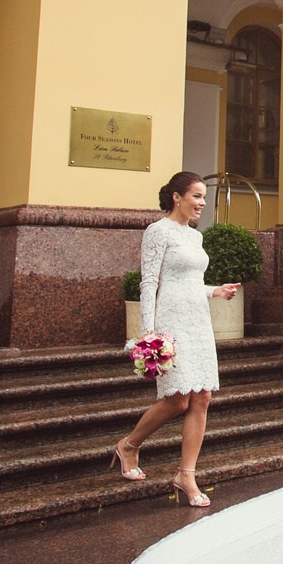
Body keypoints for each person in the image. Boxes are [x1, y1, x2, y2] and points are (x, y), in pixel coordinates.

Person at [111, 172, 241, 508]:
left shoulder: (195, 237)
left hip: (198, 321)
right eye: (196, 196)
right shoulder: (158, 232)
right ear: (176, 197)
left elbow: (190, 282)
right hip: (171, 321)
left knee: (203, 397)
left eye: (203, 197)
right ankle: (129, 445)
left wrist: (215, 291)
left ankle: (186, 474)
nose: (202, 203)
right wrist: (148, 333)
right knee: (178, 400)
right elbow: (149, 283)